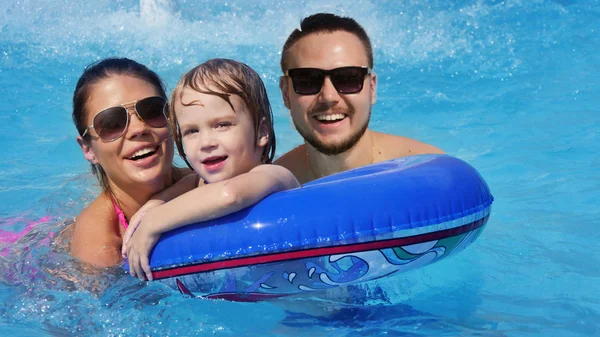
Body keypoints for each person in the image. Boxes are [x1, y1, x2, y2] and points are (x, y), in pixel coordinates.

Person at [122, 59, 300, 281]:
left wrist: (153, 222)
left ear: (262, 131)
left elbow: (229, 196)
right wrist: (152, 206)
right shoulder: (195, 184)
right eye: (191, 131)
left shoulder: (274, 176)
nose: (206, 142)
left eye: (222, 125)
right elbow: (165, 198)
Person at [275, 13, 444, 184]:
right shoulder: (274, 191)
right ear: (285, 93)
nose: (328, 96)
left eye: (348, 78)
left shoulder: (429, 172)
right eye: (307, 80)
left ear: (372, 88)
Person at [70, 57, 190, 268]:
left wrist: (161, 204)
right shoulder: (100, 245)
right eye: (111, 123)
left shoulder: (203, 179)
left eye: (152, 110)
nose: (138, 129)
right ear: (88, 150)